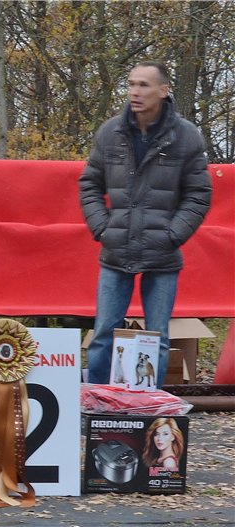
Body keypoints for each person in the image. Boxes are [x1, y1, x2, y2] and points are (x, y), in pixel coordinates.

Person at [79, 61, 212, 388]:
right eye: (131, 84)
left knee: (158, 337)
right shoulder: (111, 132)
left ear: (163, 91)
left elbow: (199, 193)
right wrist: (102, 228)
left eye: (143, 85)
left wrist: (173, 235)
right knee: (102, 335)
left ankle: (150, 412)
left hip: (162, 255)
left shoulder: (186, 136)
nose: (134, 92)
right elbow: (89, 184)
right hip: (115, 251)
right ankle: (94, 406)